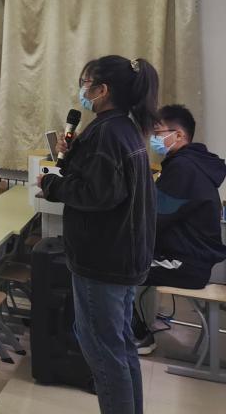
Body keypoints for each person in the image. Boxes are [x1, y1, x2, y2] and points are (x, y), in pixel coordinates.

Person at [39, 56, 159, 414]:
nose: (82, 90)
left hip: (102, 260)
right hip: (122, 255)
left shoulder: (107, 132)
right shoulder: (122, 128)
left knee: (103, 352)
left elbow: (98, 194)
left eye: (86, 83)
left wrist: (51, 185)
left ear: (102, 90)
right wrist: (74, 153)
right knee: (119, 346)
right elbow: (104, 181)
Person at [133, 104, 226, 354]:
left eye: (158, 133)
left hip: (186, 263)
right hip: (190, 258)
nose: (154, 139)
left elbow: (154, 219)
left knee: (115, 265)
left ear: (179, 135)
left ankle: (138, 336)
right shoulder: (192, 163)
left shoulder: (184, 169)